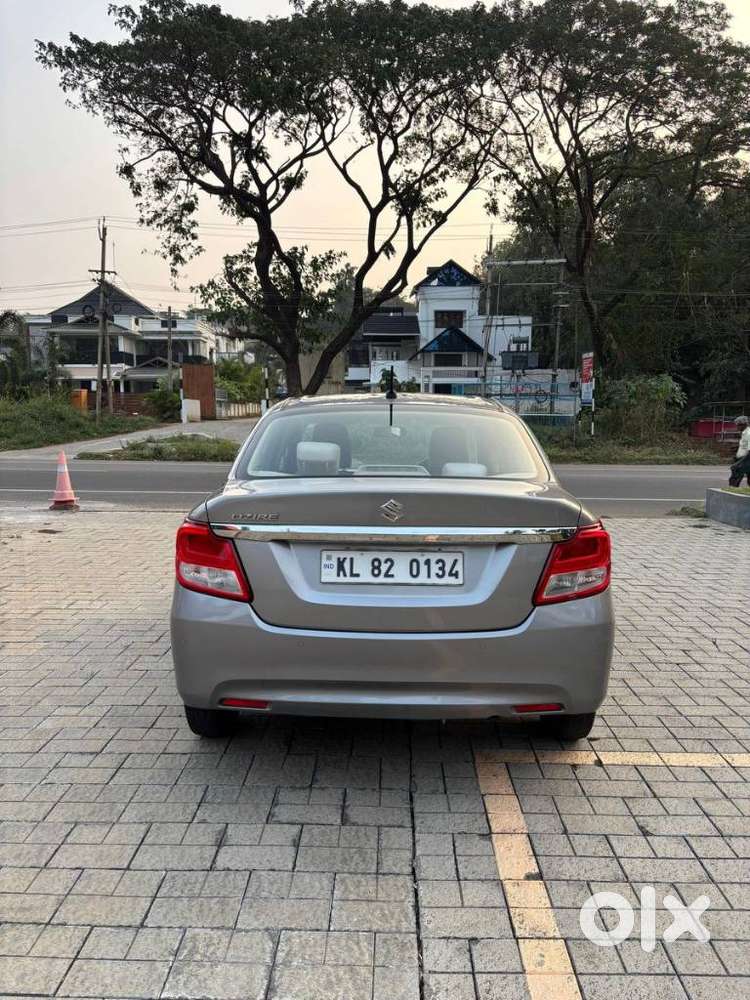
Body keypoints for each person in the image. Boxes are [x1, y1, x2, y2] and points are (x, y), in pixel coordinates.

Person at [728, 415, 750, 487]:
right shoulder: (744, 433)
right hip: (742, 459)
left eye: (738, 425)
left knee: (734, 477)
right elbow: (745, 446)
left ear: (743, 425)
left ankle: (732, 490)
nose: (737, 427)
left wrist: (739, 463)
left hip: (746, 460)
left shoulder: (748, 434)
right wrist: (736, 449)